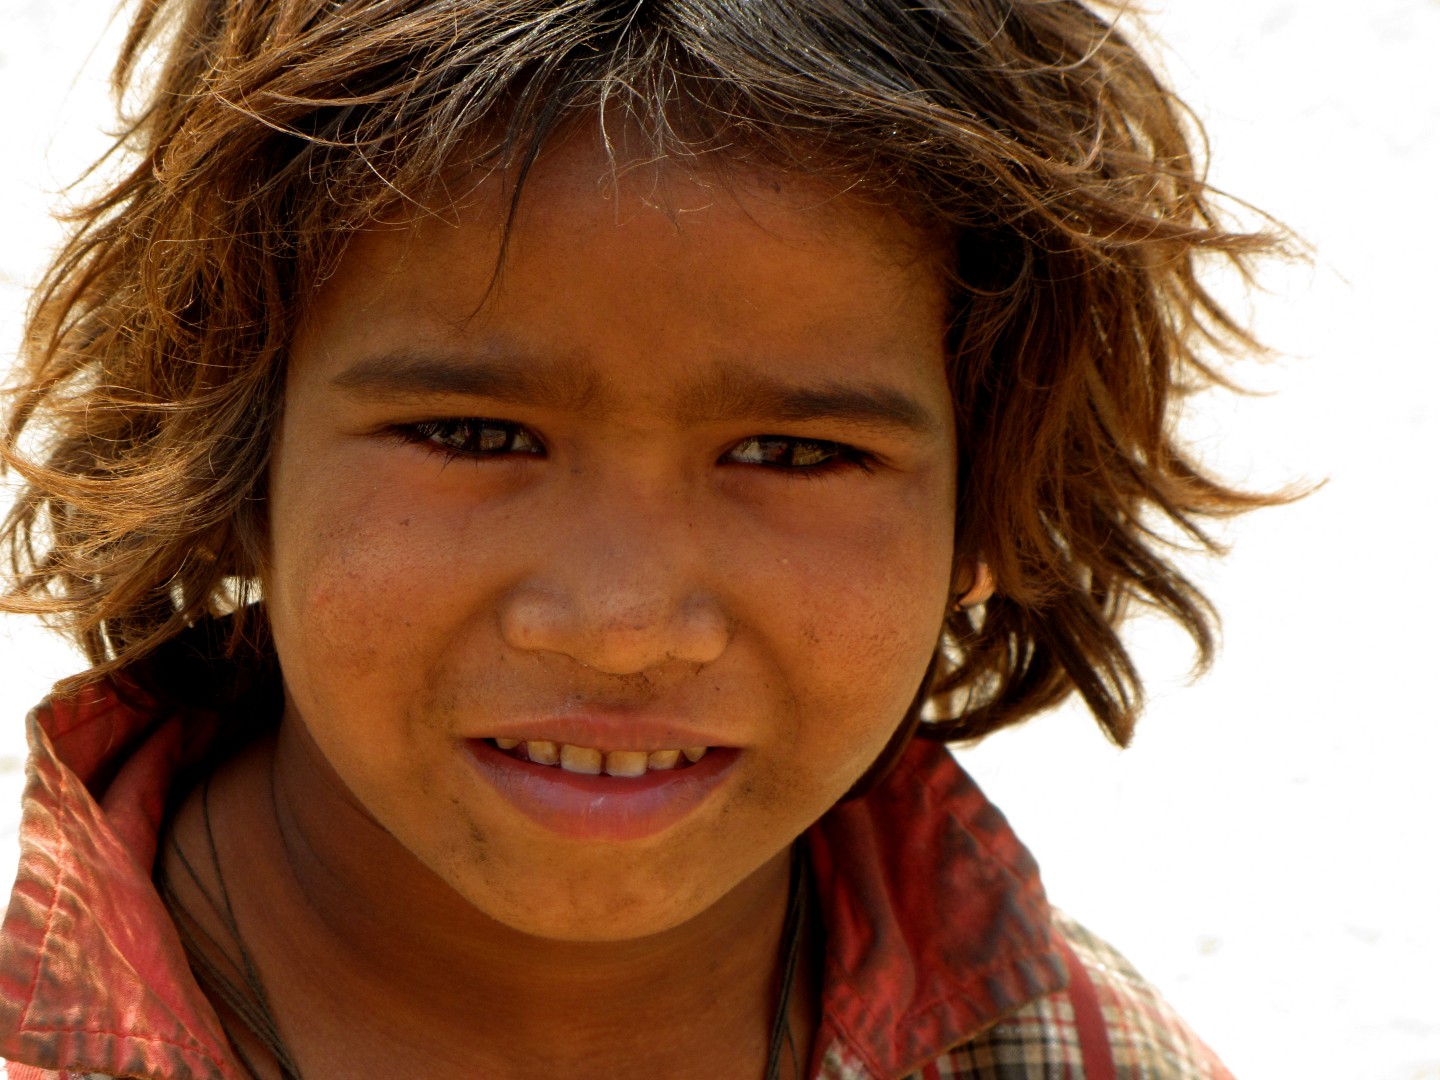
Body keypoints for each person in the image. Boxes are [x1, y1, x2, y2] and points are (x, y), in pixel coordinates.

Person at [0, 1, 1284, 1077]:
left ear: (985, 519)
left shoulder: (1084, 1058)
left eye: (793, 454)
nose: (622, 622)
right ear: (228, 454)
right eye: (473, 434)